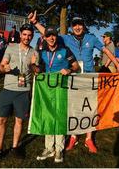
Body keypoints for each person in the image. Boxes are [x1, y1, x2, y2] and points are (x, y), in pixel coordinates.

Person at [28, 11, 119, 154]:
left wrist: (118, 65)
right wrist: (35, 23)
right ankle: (73, 135)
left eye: (79, 24)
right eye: (74, 25)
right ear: (72, 27)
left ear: (83, 26)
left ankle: (88, 138)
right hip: (73, 79)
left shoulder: (91, 38)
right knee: (73, 107)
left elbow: (106, 51)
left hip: (89, 78)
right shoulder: (66, 38)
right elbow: (49, 35)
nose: (77, 27)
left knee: (90, 107)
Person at [0, 23, 38, 165]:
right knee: (1, 120)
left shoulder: (34, 53)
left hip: (23, 92)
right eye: (24, 34)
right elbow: (1, 66)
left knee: (19, 121)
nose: (27, 37)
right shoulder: (10, 47)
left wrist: (34, 65)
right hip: (8, 90)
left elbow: (37, 72)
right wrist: (4, 68)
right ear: (20, 35)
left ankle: (15, 147)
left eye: (29, 35)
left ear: (32, 36)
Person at [31, 26, 80, 163]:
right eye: (48, 36)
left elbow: (76, 66)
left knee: (59, 116)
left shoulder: (65, 50)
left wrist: (69, 70)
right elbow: (40, 67)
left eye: (53, 35)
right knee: (47, 115)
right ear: (45, 37)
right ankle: (48, 148)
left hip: (62, 89)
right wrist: (34, 68)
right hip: (47, 89)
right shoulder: (42, 51)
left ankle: (59, 149)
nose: (51, 38)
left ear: (56, 36)